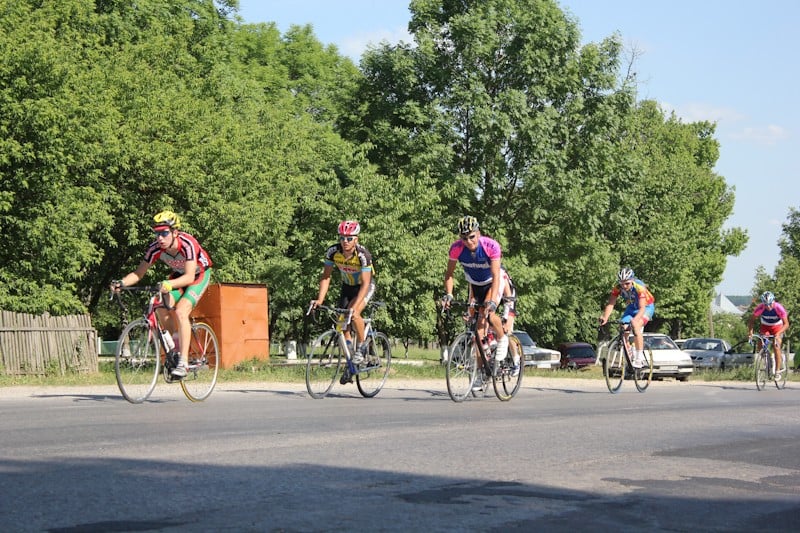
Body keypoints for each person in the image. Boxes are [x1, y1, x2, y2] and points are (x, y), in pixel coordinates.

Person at [111, 211, 213, 378]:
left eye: (164, 233)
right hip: (179, 276)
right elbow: (138, 273)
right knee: (159, 305)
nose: (159, 238)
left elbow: (189, 277)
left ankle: (183, 362)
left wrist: (169, 284)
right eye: (157, 233)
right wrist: (121, 283)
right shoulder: (155, 248)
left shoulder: (188, 244)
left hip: (198, 276)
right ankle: (174, 348)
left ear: (175, 232)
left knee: (181, 311)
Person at [442, 216, 512, 385]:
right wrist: (449, 295)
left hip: (492, 282)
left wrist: (493, 302)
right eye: (464, 238)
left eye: (472, 237)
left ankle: (502, 338)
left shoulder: (491, 246)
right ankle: (481, 374)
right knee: (478, 335)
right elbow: (449, 274)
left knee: (488, 314)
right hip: (475, 284)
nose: (468, 241)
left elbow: (496, 276)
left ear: (478, 233)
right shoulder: (456, 248)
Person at [310, 220, 375, 367]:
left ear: (356, 239)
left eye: (349, 238)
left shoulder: (363, 255)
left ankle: (362, 347)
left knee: (354, 314)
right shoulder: (333, 252)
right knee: (342, 322)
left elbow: (365, 284)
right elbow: (326, 276)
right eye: (342, 238)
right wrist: (320, 300)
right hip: (347, 287)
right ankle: (350, 360)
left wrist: (355, 307)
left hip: (364, 287)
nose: (345, 241)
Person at [599, 268, 655, 368]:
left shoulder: (640, 287)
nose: (624, 286)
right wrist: (605, 317)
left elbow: (642, 308)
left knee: (636, 326)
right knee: (623, 328)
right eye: (622, 284)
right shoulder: (617, 288)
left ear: (632, 280)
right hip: (632, 308)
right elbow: (611, 303)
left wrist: (635, 320)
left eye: (627, 283)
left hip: (646, 307)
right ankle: (629, 353)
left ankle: (639, 358)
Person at [748, 291, 790, 379]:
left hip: (777, 327)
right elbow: (751, 320)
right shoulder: (760, 308)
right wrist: (750, 332)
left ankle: (777, 371)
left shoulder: (779, 308)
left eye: (770, 304)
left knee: (776, 345)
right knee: (760, 344)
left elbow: (786, 324)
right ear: (763, 303)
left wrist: (778, 334)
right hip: (765, 326)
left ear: (773, 301)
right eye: (766, 305)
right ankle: (767, 360)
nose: (768, 307)